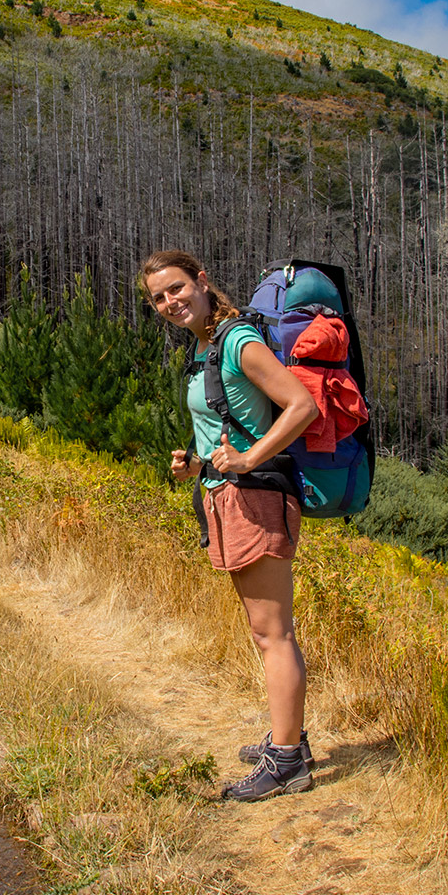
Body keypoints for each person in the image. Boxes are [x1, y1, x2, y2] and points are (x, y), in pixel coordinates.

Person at [140, 249, 320, 801]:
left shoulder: (237, 339)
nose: (171, 302)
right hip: (227, 497)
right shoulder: (204, 349)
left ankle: (287, 760)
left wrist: (247, 459)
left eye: (177, 289)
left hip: (256, 498)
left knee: (274, 634)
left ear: (201, 281)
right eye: (159, 298)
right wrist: (196, 464)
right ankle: (289, 739)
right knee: (264, 632)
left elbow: (301, 405)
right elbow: (229, 427)